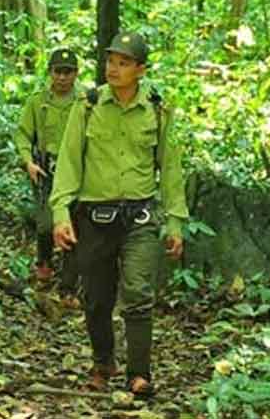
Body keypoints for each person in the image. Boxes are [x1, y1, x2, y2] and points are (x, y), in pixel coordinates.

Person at [49, 31, 187, 399]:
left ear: (140, 70)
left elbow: (170, 169)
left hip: (140, 217)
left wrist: (175, 221)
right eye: (111, 61)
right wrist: (61, 213)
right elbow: (68, 162)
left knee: (139, 293)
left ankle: (139, 374)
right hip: (94, 217)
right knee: (95, 297)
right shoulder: (88, 105)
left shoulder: (158, 110)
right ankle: (103, 361)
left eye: (124, 63)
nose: (114, 68)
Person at [14, 47, 80, 300]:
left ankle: (68, 284)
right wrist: (28, 161)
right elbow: (22, 134)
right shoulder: (38, 101)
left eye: (68, 72)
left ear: (75, 74)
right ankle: (44, 265)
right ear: (50, 73)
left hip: (75, 169)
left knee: (73, 223)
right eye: (57, 72)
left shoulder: (84, 101)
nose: (62, 78)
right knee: (45, 223)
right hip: (46, 168)